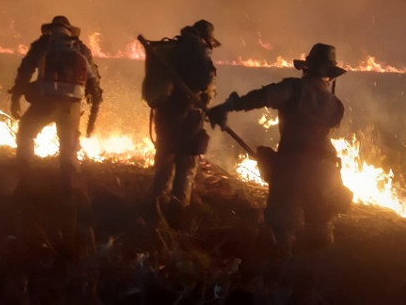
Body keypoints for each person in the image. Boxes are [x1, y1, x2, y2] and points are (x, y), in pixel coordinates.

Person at [207, 43, 351, 254]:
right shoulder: (335, 105)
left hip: (292, 167)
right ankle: (315, 276)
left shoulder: (294, 88)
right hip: (326, 170)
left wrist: (228, 106)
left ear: (306, 68)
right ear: (329, 75)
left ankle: (279, 274)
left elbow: (264, 96)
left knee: (282, 229)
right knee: (320, 229)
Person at [9, 15, 103, 191]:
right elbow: (94, 83)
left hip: (44, 102)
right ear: (70, 30)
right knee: (68, 149)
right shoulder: (81, 47)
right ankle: (69, 190)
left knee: (26, 133)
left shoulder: (43, 44)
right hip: (71, 106)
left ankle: (26, 181)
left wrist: (15, 99)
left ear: (50, 29)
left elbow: (25, 71)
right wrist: (92, 118)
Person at [150, 19, 220, 226]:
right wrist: (203, 96)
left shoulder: (172, 49)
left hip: (165, 115)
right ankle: (177, 218)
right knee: (186, 168)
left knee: (163, 165)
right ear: (205, 38)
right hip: (188, 118)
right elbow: (206, 79)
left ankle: (155, 212)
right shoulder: (199, 51)